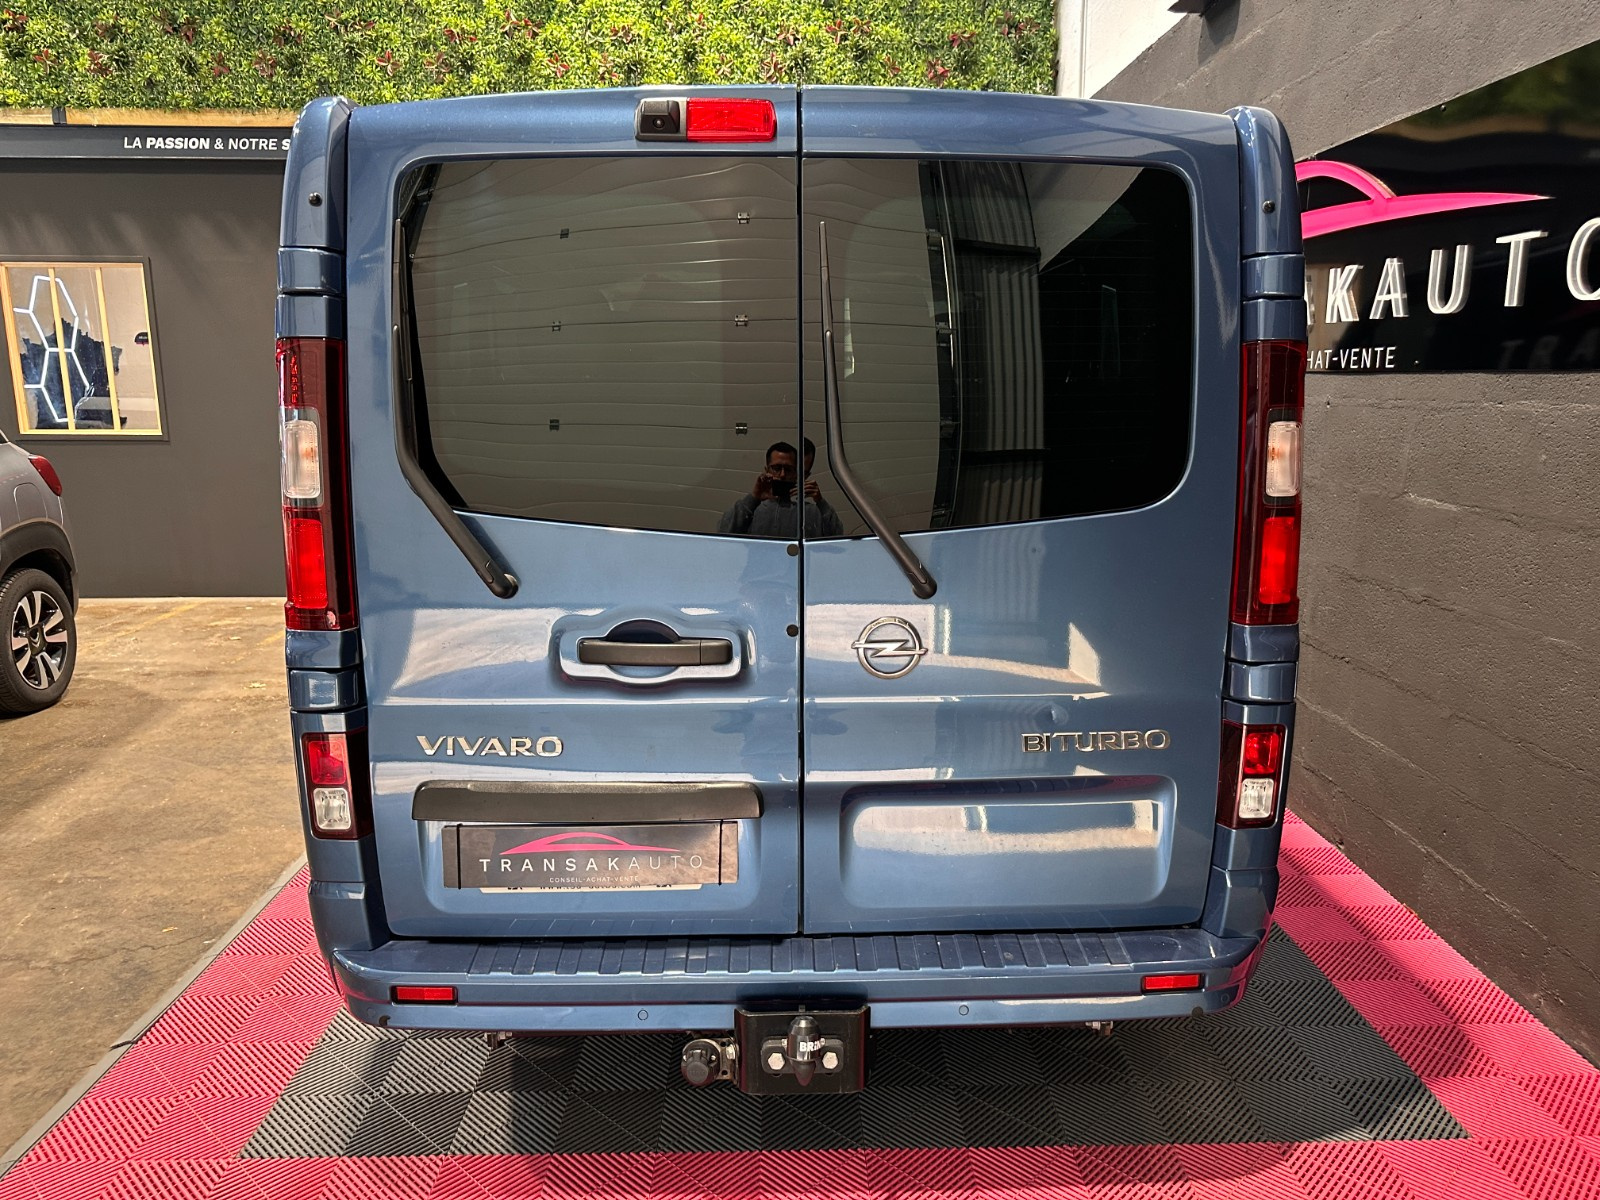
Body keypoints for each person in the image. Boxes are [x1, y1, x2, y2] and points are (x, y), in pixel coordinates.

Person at [718, 438, 843, 538]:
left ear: (796, 474)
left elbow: (837, 537)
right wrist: (753, 498)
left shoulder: (811, 512)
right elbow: (723, 531)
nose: (782, 475)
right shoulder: (752, 510)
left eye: (788, 469)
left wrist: (821, 502)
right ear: (767, 470)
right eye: (776, 468)